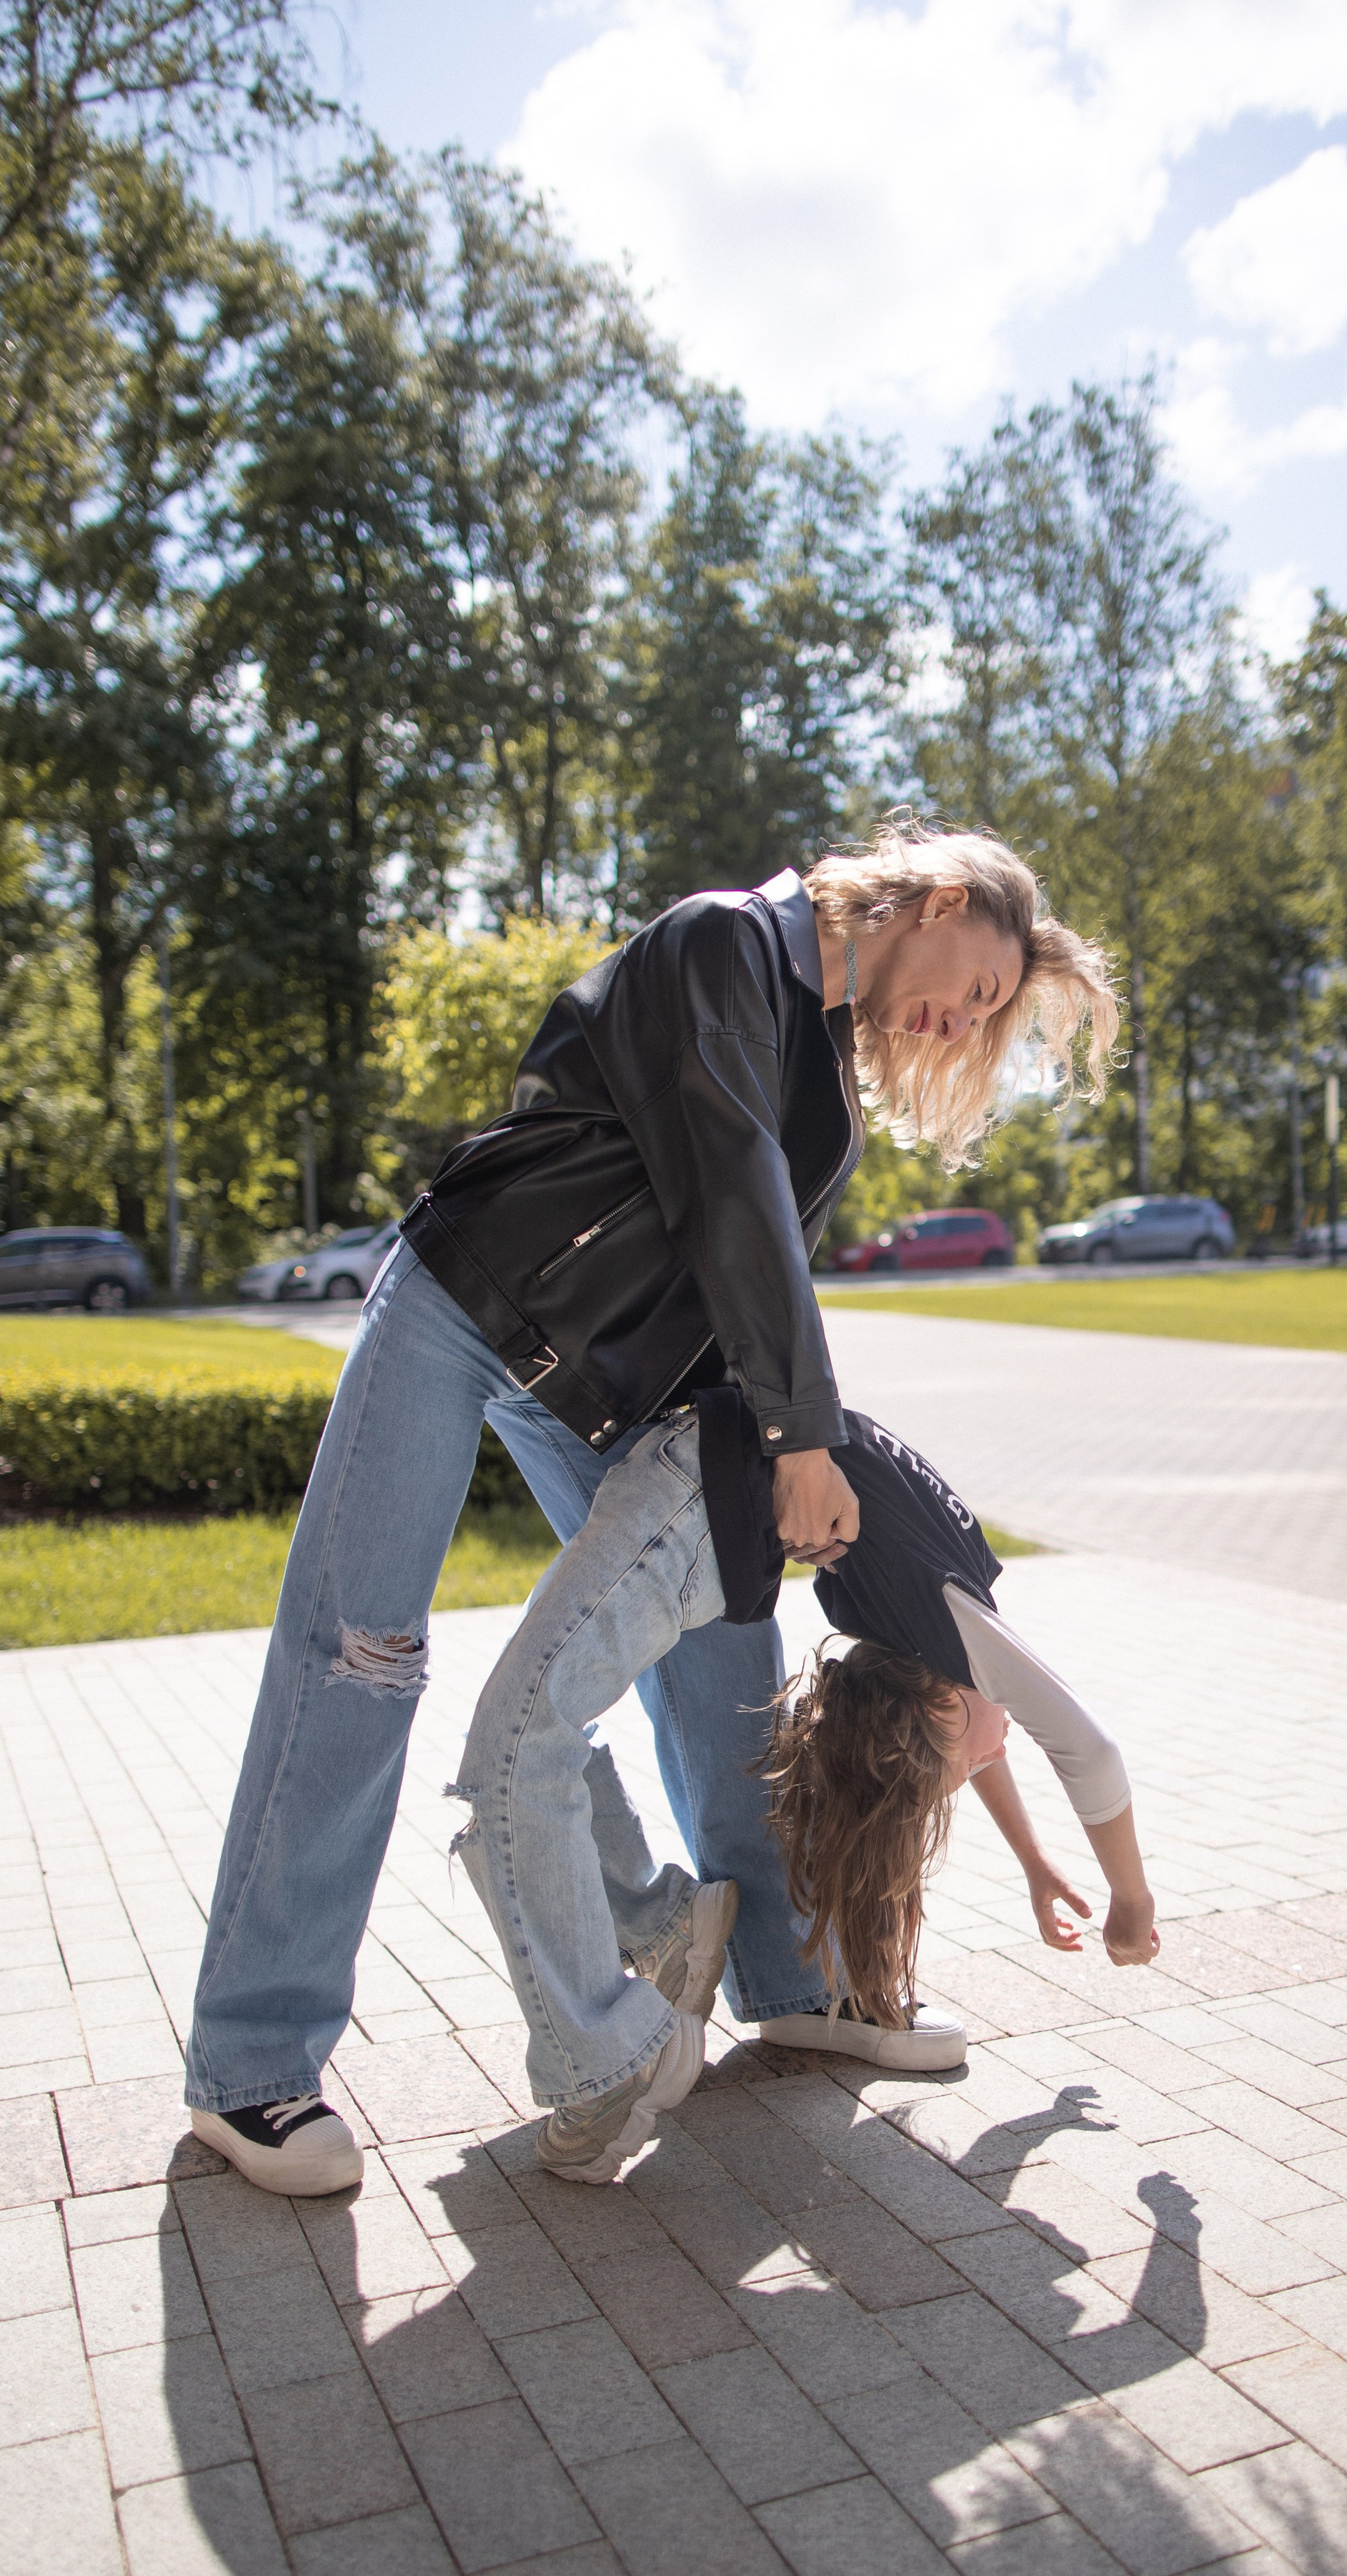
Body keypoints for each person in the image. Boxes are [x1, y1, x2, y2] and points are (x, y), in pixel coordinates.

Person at [184, 820, 1118, 2194]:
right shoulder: (724, 943)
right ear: (933, 898)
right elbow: (728, 1182)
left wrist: (754, 1473)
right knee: (359, 1658)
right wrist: (800, 1434)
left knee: (727, 1647)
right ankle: (251, 2067)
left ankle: (787, 1980)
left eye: (988, 1018)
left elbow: (746, 1264)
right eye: (978, 987)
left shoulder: (827, 1072)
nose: (964, 1021)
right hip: (464, 1303)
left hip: (611, 1392)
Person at [452, 1389, 1156, 2184]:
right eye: (956, 1775)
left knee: (543, 1716)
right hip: (702, 1474)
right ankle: (676, 1956)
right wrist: (1131, 1902)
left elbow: (994, 1738)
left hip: (720, 1462)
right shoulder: (939, 1636)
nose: (977, 1768)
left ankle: (699, 1946)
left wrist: (1035, 1863)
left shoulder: (943, 1646)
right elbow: (1091, 1754)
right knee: (534, 1727)